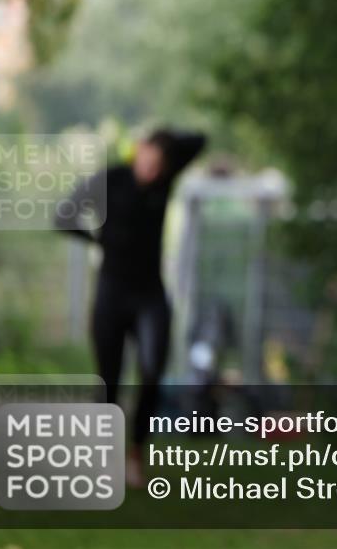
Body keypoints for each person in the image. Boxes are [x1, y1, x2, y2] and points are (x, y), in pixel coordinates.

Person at [54, 128, 206, 487]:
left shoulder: (163, 182)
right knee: (109, 379)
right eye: (148, 162)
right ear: (136, 153)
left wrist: (162, 144)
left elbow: (198, 141)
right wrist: (95, 238)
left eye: (159, 164)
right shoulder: (110, 180)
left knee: (152, 372)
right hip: (111, 293)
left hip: (150, 295)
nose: (152, 171)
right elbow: (63, 216)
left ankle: (136, 453)